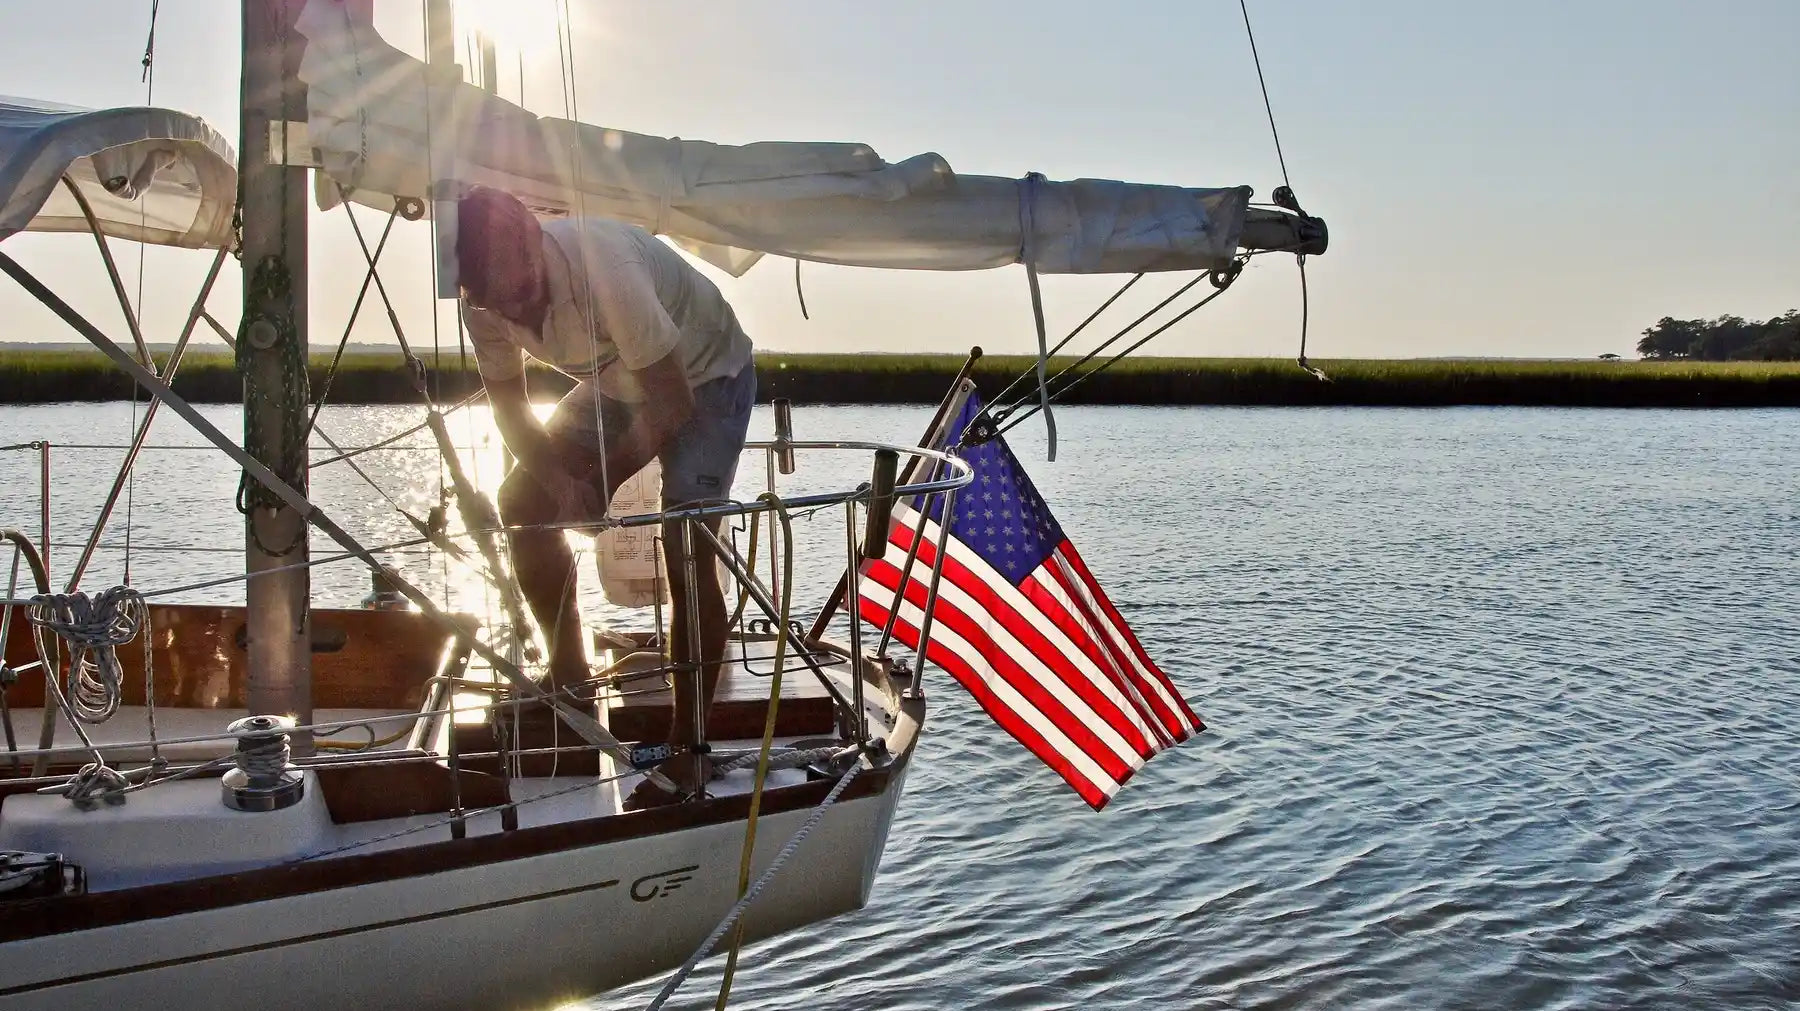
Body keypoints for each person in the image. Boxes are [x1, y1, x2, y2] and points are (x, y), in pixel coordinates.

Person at [454, 185, 755, 807]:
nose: (515, 315)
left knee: (686, 539)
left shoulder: (604, 267)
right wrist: (562, 485)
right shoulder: (480, 301)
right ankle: (569, 677)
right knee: (522, 502)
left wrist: (602, 485)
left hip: (707, 375)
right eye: (494, 303)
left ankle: (689, 748)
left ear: (535, 241)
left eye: (520, 294)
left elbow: (673, 402)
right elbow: (511, 412)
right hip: (616, 384)